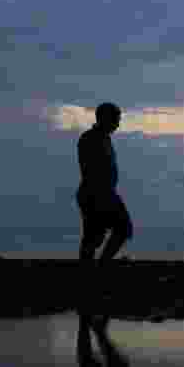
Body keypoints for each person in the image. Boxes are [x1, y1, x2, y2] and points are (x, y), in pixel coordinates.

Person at [76, 103, 133, 263]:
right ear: (105, 119)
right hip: (96, 193)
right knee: (95, 235)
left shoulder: (103, 138)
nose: (118, 124)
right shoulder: (90, 138)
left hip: (104, 193)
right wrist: (100, 194)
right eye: (116, 120)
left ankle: (100, 264)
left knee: (114, 230)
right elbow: (89, 169)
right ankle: (95, 266)